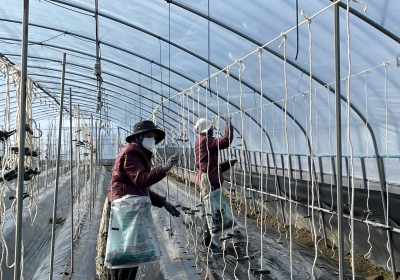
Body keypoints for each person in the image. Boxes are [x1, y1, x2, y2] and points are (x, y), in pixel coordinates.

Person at [107, 120, 180, 280]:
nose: (152, 141)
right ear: (139, 137)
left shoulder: (139, 153)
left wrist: (163, 202)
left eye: (154, 138)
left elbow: (141, 189)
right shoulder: (132, 152)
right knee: (129, 255)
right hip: (127, 208)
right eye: (149, 136)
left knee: (132, 255)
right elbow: (141, 180)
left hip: (130, 206)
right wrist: (164, 169)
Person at [194, 117, 237, 248]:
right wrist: (228, 125)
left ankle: (209, 238)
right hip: (208, 182)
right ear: (206, 129)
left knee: (211, 211)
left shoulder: (201, 141)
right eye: (211, 127)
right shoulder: (205, 140)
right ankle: (208, 241)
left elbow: (208, 164)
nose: (213, 129)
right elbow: (226, 141)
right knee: (210, 212)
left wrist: (225, 165)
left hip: (206, 180)